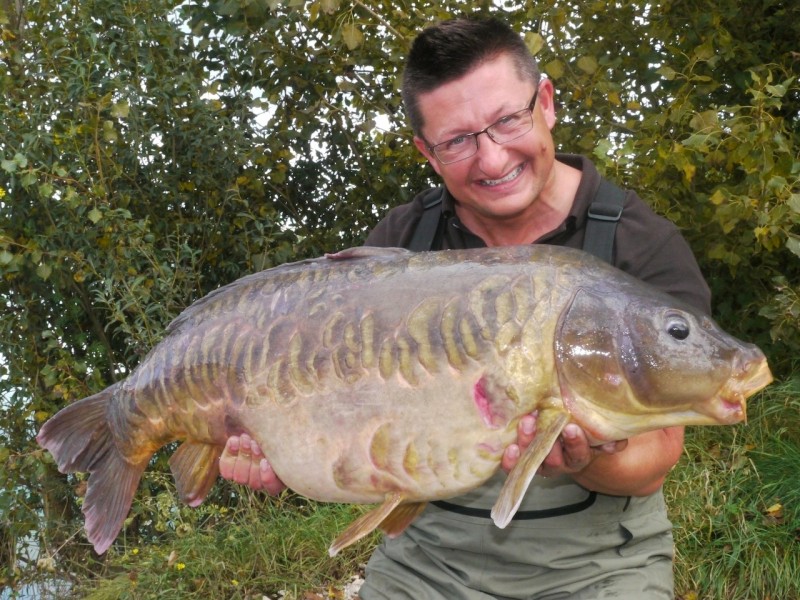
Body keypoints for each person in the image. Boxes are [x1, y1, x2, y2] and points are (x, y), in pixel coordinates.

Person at [219, 16, 711, 599]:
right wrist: (287, 445)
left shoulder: (638, 242)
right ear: (427, 152)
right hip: (430, 559)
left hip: (600, 562)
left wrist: (582, 459)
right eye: (457, 141)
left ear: (545, 102)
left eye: (508, 120)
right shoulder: (400, 248)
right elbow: (347, 405)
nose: (492, 158)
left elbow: (655, 461)